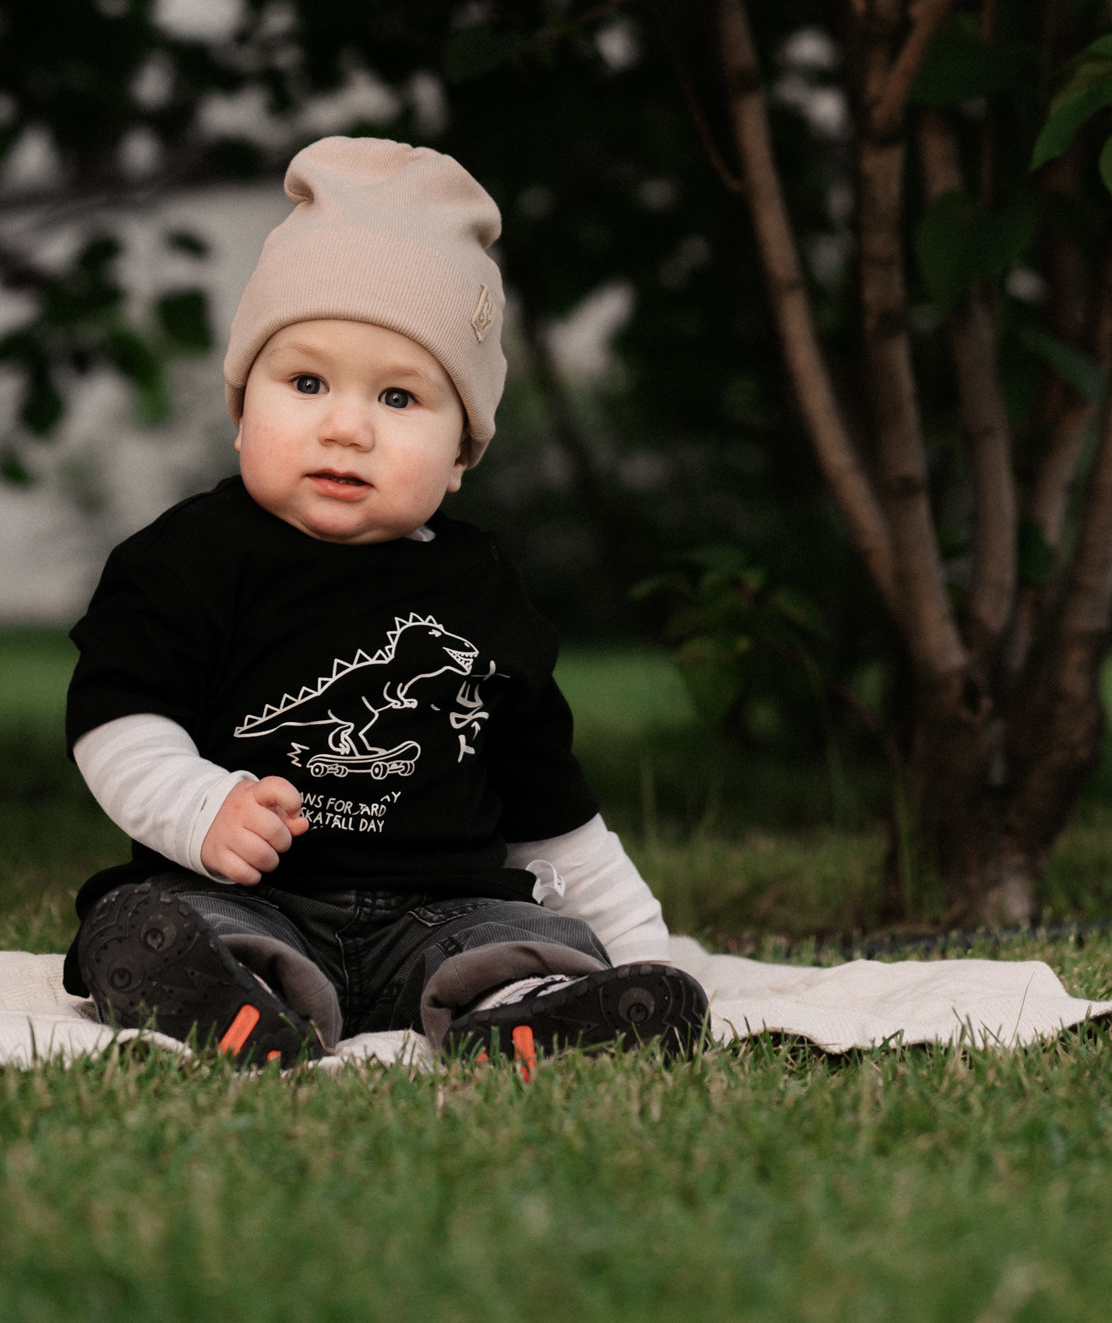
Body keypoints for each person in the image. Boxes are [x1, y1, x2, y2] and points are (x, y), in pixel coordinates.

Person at [62, 134, 711, 1068]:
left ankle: (535, 1011)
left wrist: (648, 954)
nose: (346, 425)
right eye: (307, 381)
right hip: (252, 896)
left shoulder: (481, 590)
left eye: (400, 397)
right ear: (243, 411)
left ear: (459, 457)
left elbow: (552, 812)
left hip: (440, 917)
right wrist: (201, 807)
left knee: (528, 939)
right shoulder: (191, 556)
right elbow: (116, 719)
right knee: (151, 919)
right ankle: (233, 998)